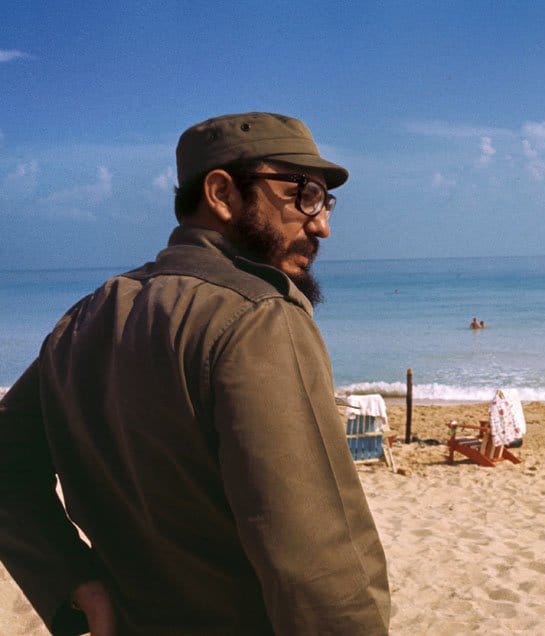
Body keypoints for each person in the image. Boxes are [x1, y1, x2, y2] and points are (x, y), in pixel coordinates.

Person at [0, 112, 390, 634]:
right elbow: (316, 563)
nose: (321, 224)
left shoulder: (87, 318)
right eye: (303, 195)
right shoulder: (258, 318)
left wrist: (73, 581)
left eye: (324, 201)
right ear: (222, 193)